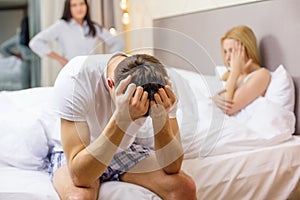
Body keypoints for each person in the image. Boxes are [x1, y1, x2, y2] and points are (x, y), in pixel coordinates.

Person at [52, 53, 197, 200]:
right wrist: (121, 119)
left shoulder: (162, 86)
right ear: (111, 84)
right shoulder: (77, 77)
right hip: (80, 153)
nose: (140, 115)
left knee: (185, 187)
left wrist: (161, 117)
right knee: (78, 197)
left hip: (123, 150)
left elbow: (172, 167)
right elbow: (81, 177)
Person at [29, 0, 124, 67]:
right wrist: (60, 59)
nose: (79, 8)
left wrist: (108, 61)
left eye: (82, 4)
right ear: (68, 8)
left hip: (92, 71)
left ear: (86, 6)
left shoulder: (93, 27)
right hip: (72, 71)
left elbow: (118, 42)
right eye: (74, 5)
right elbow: (35, 43)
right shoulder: (61, 26)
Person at [212, 25, 271, 115]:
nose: (227, 57)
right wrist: (214, 99)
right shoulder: (228, 74)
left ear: (245, 49)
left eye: (231, 50)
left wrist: (235, 72)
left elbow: (227, 108)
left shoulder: (262, 75)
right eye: (225, 51)